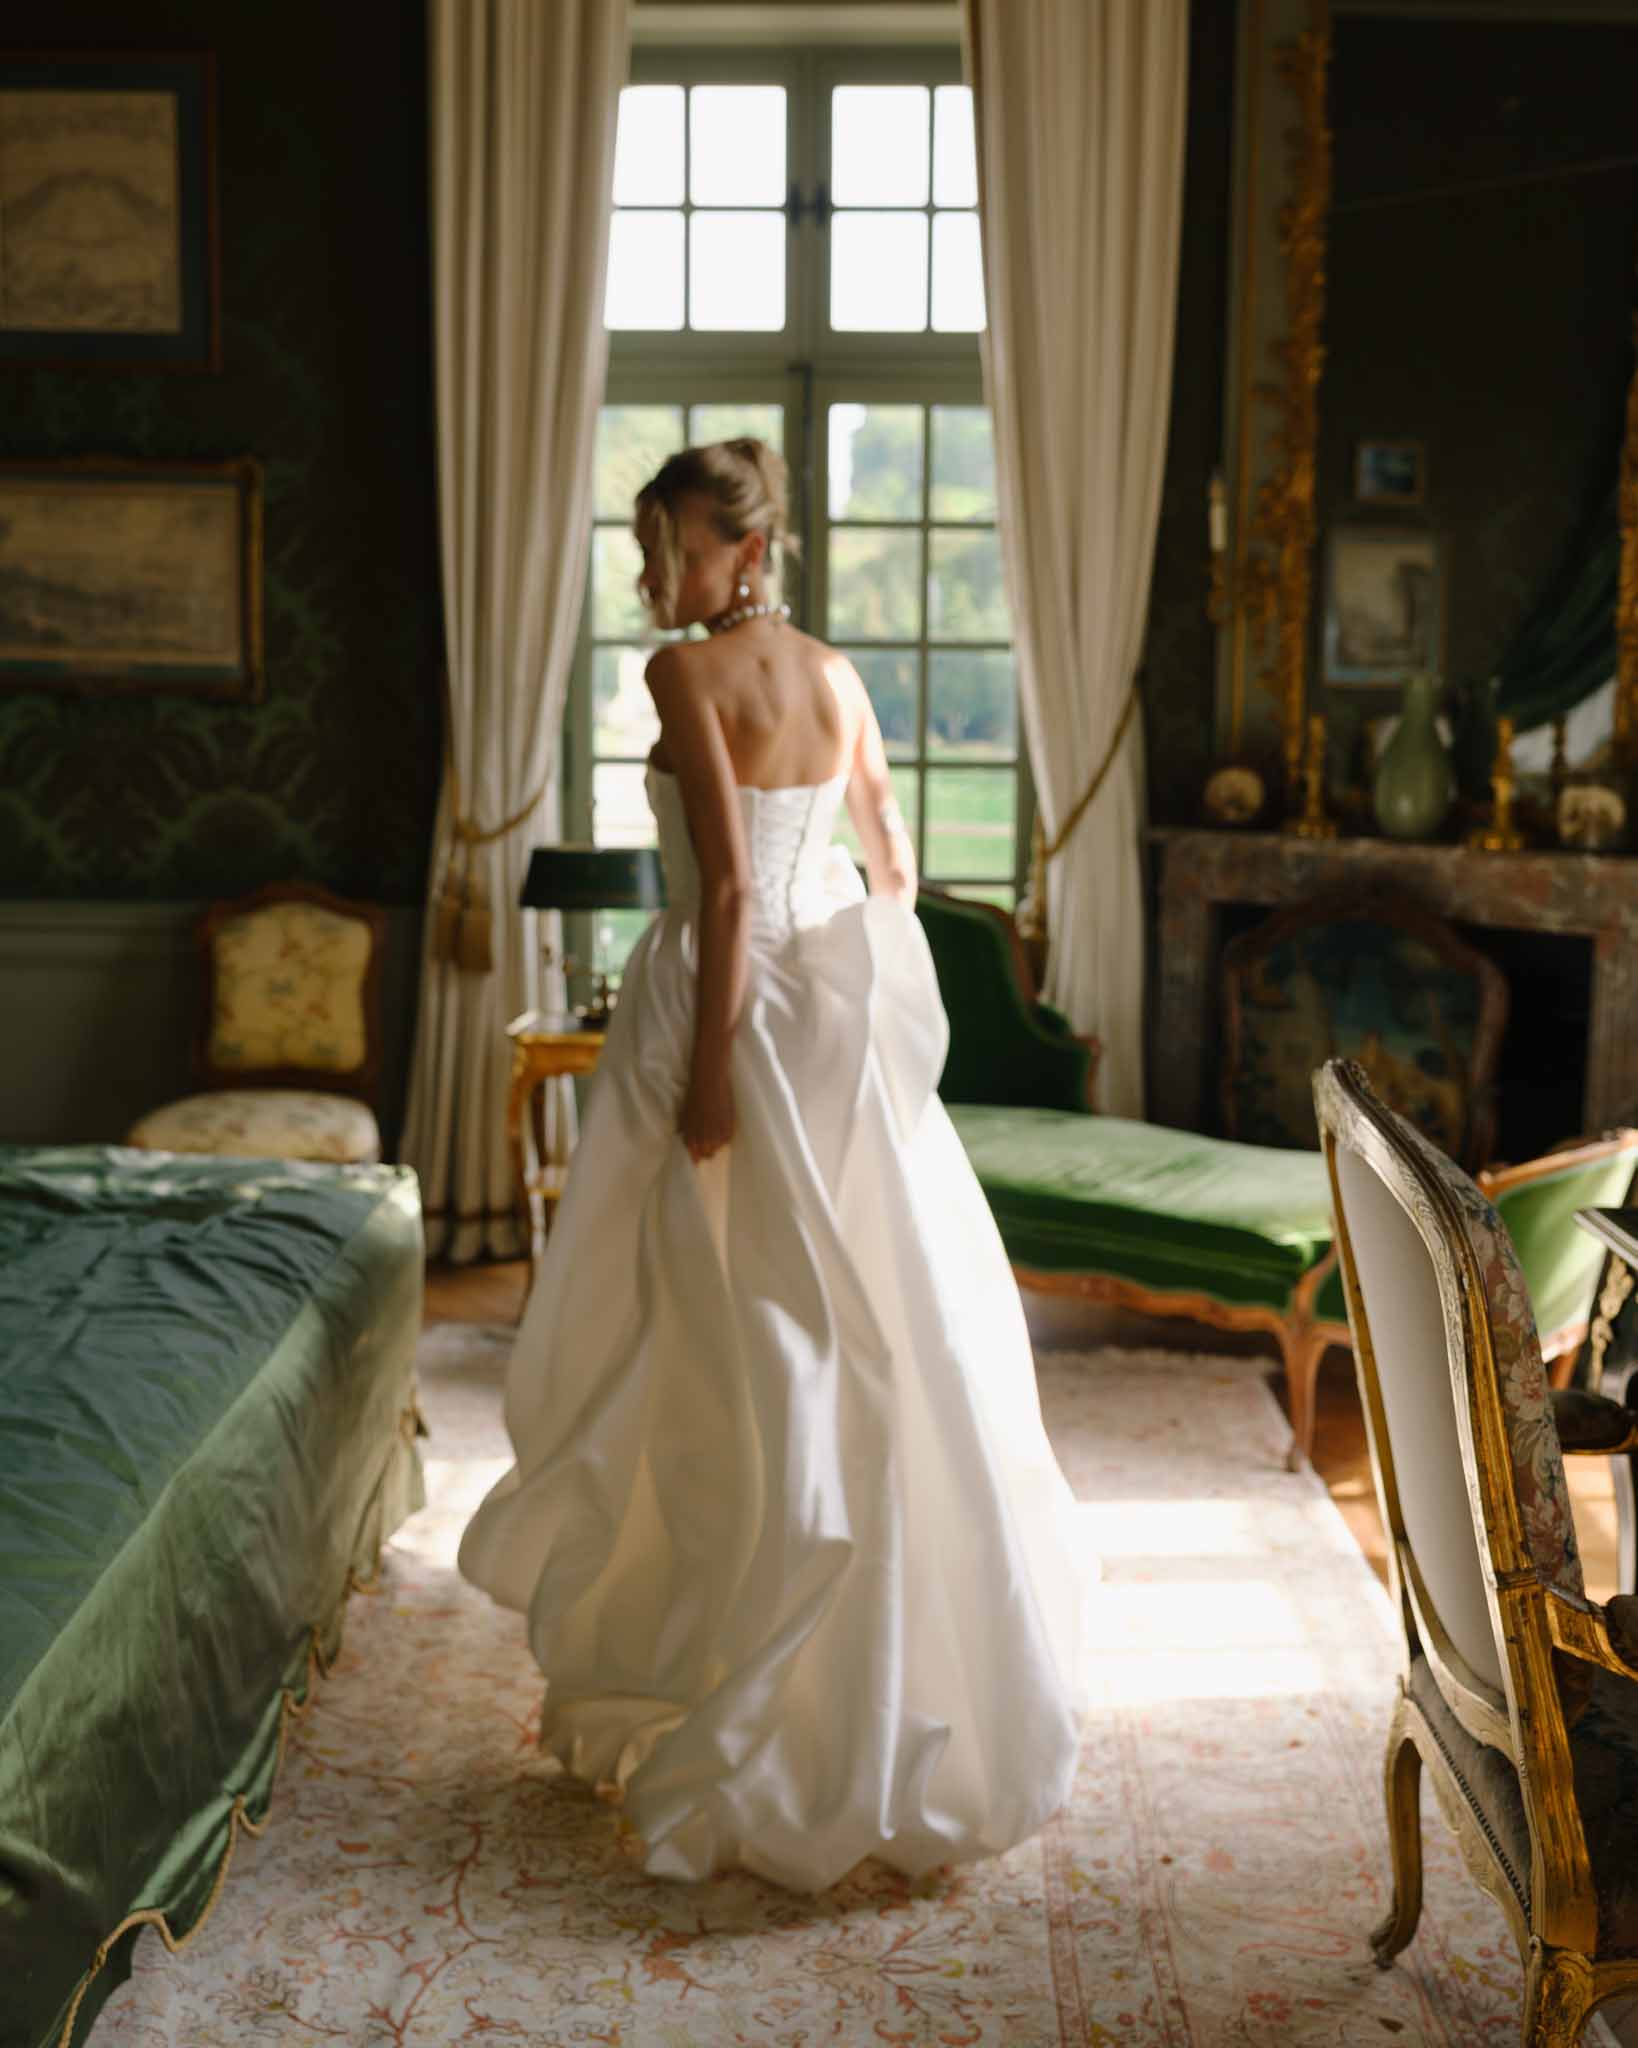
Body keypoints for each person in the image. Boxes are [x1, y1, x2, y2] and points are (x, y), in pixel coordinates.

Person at [458, 437, 1090, 1893]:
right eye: (646, 547)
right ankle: (821, 1645)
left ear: (742, 552)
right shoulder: (843, 676)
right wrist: (845, 986)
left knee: (718, 1318)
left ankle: (733, 1643)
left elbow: (729, 885)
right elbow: (894, 863)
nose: (649, 578)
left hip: (726, 1002)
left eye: (670, 549)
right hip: (828, 1011)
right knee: (857, 1301)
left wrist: (702, 1076)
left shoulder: (684, 679)